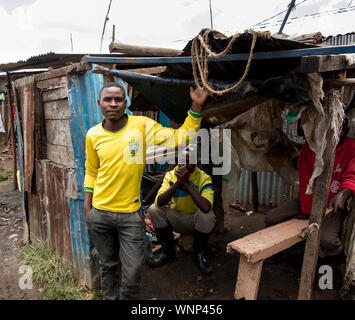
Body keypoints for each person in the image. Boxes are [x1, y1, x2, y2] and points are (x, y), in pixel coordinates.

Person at [84, 82, 208, 300]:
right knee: (108, 266)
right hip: (99, 214)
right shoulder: (93, 135)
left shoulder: (140, 126)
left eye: (118, 99)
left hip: (130, 216)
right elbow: (92, 171)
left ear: (126, 103)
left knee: (132, 273)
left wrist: (196, 108)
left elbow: (180, 138)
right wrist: (87, 205)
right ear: (99, 103)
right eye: (108, 99)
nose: (113, 104)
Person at [265, 116, 355, 258]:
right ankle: (293, 253)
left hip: (332, 208)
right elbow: (306, 177)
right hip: (309, 201)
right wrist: (307, 210)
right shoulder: (312, 145)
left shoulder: (352, 147)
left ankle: (331, 262)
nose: (335, 133)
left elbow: (352, 174)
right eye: (331, 128)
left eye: (340, 128)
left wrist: (345, 192)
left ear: (347, 130)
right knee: (271, 218)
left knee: (327, 240)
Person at [147, 147, 216, 274]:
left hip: (195, 220)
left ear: (195, 163)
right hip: (177, 219)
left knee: (208, 215)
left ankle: (199, 257)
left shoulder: (203, 178)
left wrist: (186, 184)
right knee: (154, 209)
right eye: (182, 162)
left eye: (189, 163)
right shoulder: (171, 175)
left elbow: (206, 207)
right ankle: (168, 253)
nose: (185, 166)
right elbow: (159, 202)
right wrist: (177, 183)